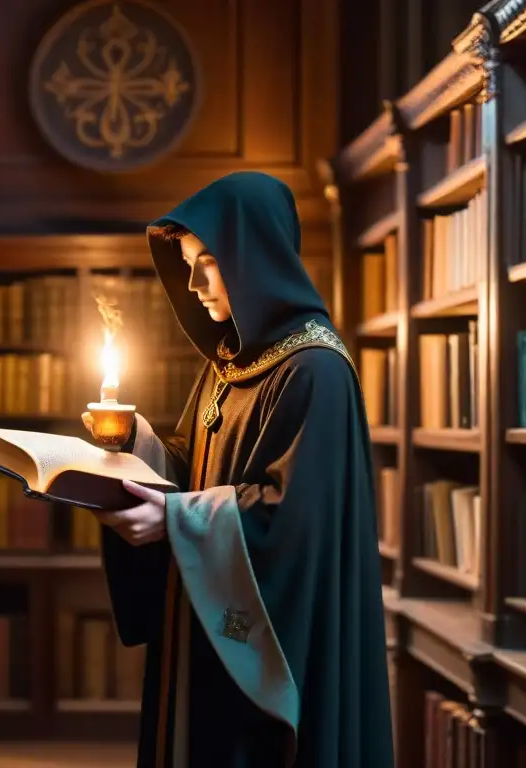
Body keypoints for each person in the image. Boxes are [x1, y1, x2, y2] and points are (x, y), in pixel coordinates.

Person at [81, 171, 394, 767]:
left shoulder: (315, 370)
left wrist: (174, 518)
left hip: (271, 640)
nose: (194, 282)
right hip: (203, 619)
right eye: (189, 263)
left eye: (210, 262)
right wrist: (137, 445)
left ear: (257, 257)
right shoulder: (231, 359)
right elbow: (195, 469)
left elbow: (292, 523)